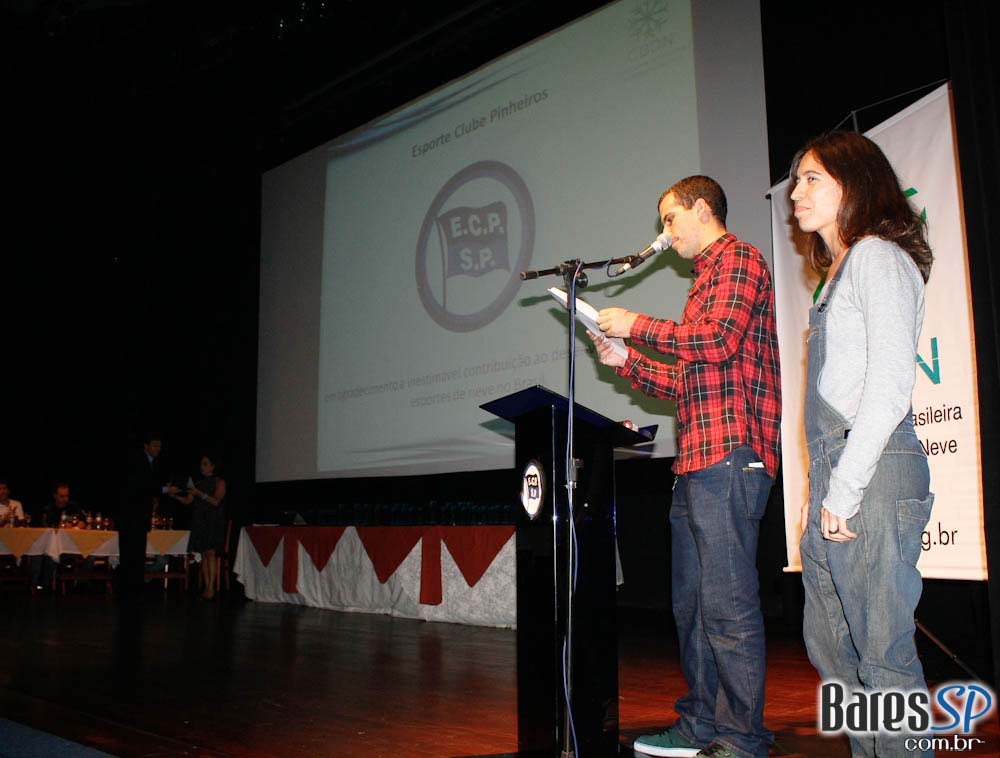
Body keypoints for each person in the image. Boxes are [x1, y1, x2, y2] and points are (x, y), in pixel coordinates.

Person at [590, 175, 780, 758]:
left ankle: (742, 736)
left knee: (726, 603)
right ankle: (701, 723)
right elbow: (685, 380)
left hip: (732, 455)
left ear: (702, 210)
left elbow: (717, 342)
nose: (664, 233)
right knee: (692, 605)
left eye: (670, 219)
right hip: (697, 460)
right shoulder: (703, 283)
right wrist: (626, 359)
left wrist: (636, 325)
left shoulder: (740, 260)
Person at [790, 131, 934, 758]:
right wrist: (815, 495)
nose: (797, 192)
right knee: (835, 655)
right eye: (796, 180)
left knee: (883, 657)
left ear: (856, 183)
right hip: (838, 475)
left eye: (812, 178)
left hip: (871, 474)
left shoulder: (877, 257)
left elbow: (889, 388)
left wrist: (843, 488)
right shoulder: (834, 279)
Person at [121, 434, 179, 602]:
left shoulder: (150, 462)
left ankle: (134, 585)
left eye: (159, 446)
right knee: (133, 551)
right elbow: (143, 485)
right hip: (134, 515)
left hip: (140, 515)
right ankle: (131, 586)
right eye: (154, 446)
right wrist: (166, 490)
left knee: (138, 551)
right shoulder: (140, 461)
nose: (158, 449)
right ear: (146, 446)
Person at [170, 453, 226, 599]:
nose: (202, 467)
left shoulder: (219, 482)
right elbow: (188, 501)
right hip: (200, 521)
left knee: (211, 553)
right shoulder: (198, 483)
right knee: (203, 554)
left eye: (205, 464)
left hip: (213, 522)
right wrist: (174, 495)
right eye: (201, 464)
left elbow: (216, 501)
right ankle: (207, 588)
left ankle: (211, 588)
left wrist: (199, 493)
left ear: (213, 466)